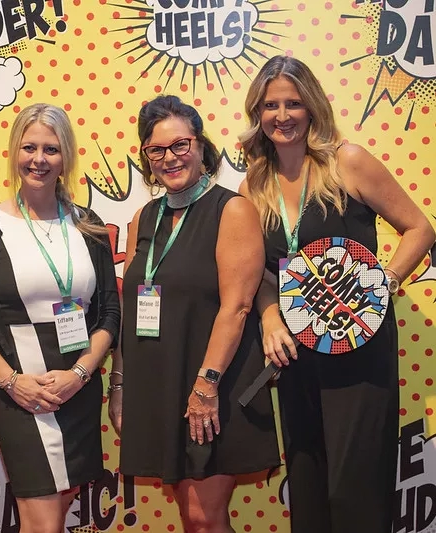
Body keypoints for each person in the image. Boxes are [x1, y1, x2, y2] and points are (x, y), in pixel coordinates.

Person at [239, 55, 435, 532]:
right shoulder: (253, 185)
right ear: (258, 114)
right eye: (270, 106)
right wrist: (268, 318)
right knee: (307, 476)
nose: (282, 116)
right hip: (295, 350)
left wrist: (379, 286)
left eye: (292, 103)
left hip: (357, 346)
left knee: (356, 482)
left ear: (311, 106)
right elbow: (259, 275)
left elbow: (419, 229)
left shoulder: (346, 161)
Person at [108, 95, 280, 533]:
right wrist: (121, 383)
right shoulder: (145, 216)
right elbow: (133, 308)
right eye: (156, 150)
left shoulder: (232, 209)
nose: (170, 158)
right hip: (161, 384)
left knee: (205, 517)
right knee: (190, 515)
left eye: (181, 145)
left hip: (212, 383)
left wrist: (206, 386)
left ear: (201, 146)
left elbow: (239, 306)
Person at [0, 103, 120, 533]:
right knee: (41, 522)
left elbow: (108, 314)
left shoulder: (89, 224)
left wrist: (80, 374)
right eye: (29, 147)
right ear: (14, 152)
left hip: (77, 391)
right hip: (21, 394)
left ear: (66, 156)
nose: (39, 159)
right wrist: (11, 381)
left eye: (51, 149)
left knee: (57, 513)